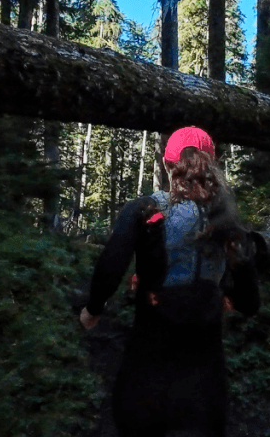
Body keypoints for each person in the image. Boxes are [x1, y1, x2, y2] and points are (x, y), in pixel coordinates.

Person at [79, 126, 260, 437]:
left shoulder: (144, 209)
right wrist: (228, 299)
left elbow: (111, 264)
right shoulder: (226, 220)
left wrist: (93, 309)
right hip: (204, 383)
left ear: (166, 164)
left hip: (147, 371)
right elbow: (250, 299)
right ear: (211, 163)